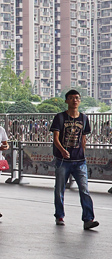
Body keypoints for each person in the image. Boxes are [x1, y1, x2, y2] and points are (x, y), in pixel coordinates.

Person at [51, 90, 99, 229]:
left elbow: (84, 138)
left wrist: (82, 153)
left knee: (84, 190)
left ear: (80, 100)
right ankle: (59, 215)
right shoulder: (60, 118)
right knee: (59, 189)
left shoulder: (83, 118)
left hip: (79, 161)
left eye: (77, 98)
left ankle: (88, 219)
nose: (74, 100)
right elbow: (55, 138)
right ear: (66, 101)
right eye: (71, 98)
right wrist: (62, 150)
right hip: (62, 161)